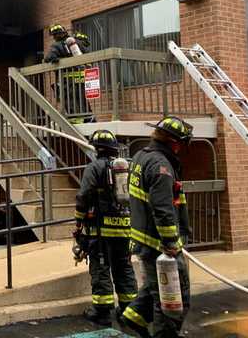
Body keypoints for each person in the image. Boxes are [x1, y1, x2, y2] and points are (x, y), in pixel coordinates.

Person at [120, 116, 193, 338]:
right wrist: (171, 242)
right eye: (181, 144)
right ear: (174, 142)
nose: (181, 149)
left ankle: (132, 318)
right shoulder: (161, 166)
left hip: (145, 240)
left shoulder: (141, 156)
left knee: (154, 289)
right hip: (159, 245)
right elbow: (163, 208)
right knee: (173, 296)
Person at [75, 130, 137, 326]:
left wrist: (79, 221)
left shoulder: (94, 167)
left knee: (101, 268)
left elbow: (84, 195)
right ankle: (128, 309)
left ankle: (102, 311)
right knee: (124, 268)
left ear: (96, 148)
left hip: (101, 231)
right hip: (125, 229)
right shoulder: (128, 168)